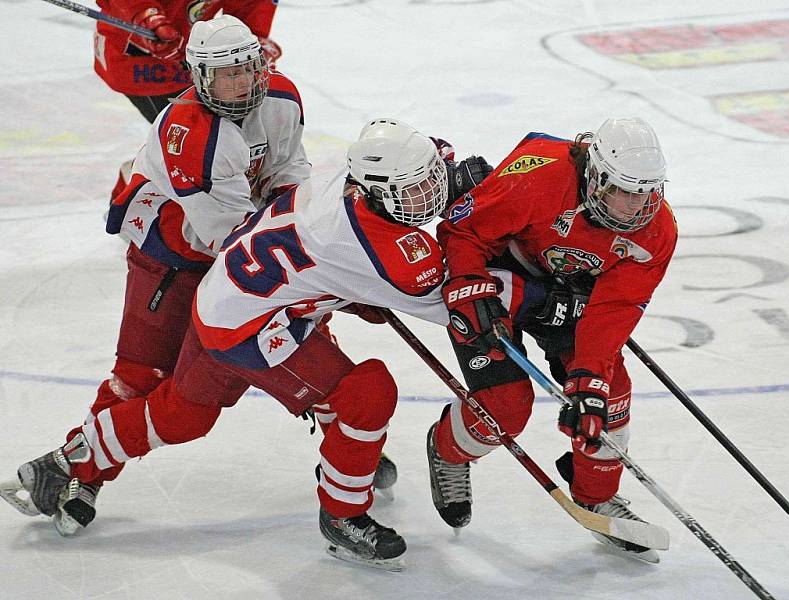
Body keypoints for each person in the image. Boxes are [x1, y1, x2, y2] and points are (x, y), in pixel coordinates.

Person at [0, 119, 491, 570]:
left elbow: (408, 179)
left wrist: (442, 183)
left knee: (184, 413)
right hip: (257, 333)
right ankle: (343, 515)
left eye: (430, 181)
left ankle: (65, 463)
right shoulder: (384, 251)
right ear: (377, 191)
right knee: (368, 392)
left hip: (219, 301)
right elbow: (457, 304)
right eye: (415, 189)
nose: (427, 196)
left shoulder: (348, 179)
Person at [0, 14, 307, 536]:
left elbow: (290, 169)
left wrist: (289, 212)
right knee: (142, 375)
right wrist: (300, 258)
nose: (241, 83)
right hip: (170, 252)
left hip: (238, 243)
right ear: (197, 77)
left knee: (302, 337)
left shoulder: (281, 99)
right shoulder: (191, 134)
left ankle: (352, 438)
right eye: (225, 74)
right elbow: (223, 239)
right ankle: (82, 470)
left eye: (247, 69)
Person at [429, 118, 677, 563]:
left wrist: (588, 379)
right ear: (596, 176)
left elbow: (615, 309)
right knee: (504, 408)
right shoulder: (540, 176)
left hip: (565, 294)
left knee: (608, 394)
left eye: (644, 192)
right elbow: (461, 231)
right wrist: (468, 284)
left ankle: (595, 495)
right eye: (622, 190)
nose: (634, 206)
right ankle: (448, 449)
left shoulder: (656, 231)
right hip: (500, 280)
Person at [94, 0, 283, 200]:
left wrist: (251, 40)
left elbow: (249, 5)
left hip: (196, 61)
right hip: (137, 61)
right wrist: (145, 17)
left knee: (227, 138)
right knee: (199, 146)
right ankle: (131, 194)